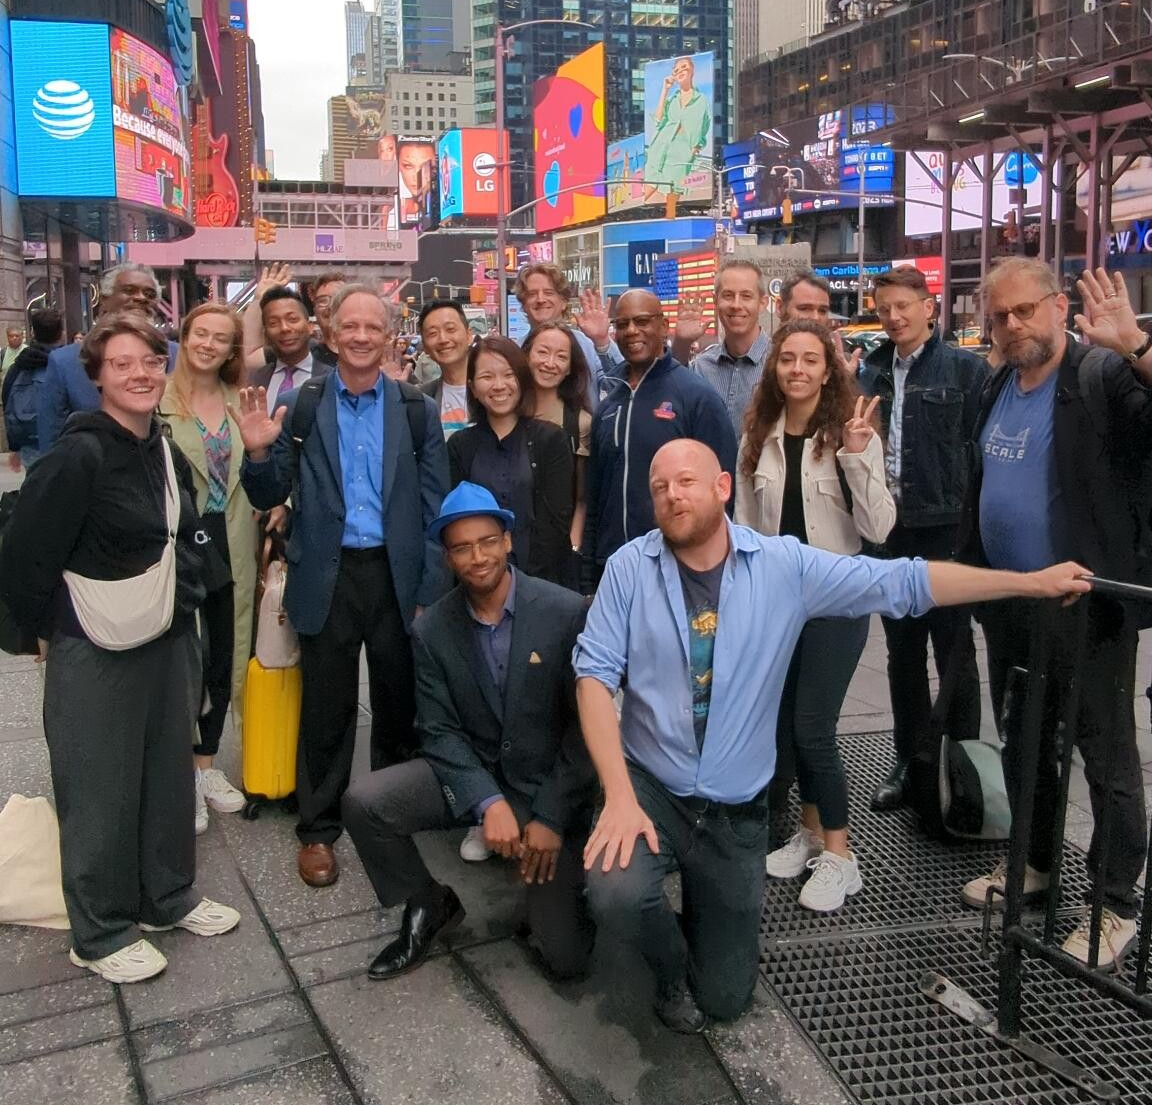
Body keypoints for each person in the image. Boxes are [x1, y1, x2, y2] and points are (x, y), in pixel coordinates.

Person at [574, 437, 1095, 1032]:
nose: (672, 495)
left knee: (724, 999)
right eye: (659, 486)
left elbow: (905, 581)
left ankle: (705, 921)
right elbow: (593, 676)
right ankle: (668, 974)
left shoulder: (782, 566)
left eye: (686, 481)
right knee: (614, 890)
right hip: (653, 790)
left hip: (734, 810)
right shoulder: (628, 568)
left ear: (722, 487)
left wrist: (1031, 583)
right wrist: (617, 794)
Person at [0, 313, 240, 985]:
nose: (140, 374)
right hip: (93, 645)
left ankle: (165, 896)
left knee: (167, 770)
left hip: (164, 637)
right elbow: (22, 554)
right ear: (97, 375)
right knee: (98, 785)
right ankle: (100, 929)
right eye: (123, 364)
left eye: (150, 362)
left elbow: (189, 531)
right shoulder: (79, 454)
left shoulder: (159, 445)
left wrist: (186, 601)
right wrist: (48, 629)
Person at [957, 261, 1152, 969]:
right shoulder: (997, 382)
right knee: (1024, 740)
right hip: (1013, 599)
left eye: (1025, 311)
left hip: (1088, 602)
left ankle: (1115, 900)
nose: (1012, 326)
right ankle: (1035, 866)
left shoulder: (1100, 376)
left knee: (1105, 753)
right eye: (1000, 315)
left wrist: (1135, 346)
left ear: (1058, 305)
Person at [237, 284, 449, 888]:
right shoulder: (303, 403)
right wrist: (257, 456)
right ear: (330, 336)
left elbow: (435, 510)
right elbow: (267, 493)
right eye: (348, 327)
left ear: (388, 337)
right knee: (325, 709)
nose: (360, 337)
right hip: (325, 572)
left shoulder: (414, 409)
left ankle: (391, 816)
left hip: (394, 574)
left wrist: (426, 586)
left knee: (396, 705)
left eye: (372, 328)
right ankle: (318, 830)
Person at [342, 482, 596, 981]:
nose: (476, 557)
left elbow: (585, 732)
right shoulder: (433, 629)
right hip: (476, 773)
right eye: (461, 548)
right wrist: (487, 802)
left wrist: (549, 816)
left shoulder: (565, 612)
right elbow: (436, 729)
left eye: (485, 542)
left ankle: (562, 890)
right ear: (448, 556)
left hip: (546, 787)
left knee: (567, 960)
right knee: (366, 801)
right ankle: (428, 903)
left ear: (507, 541)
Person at [734, 320, 895, 910]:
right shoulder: (759, 432)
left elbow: (879, 527)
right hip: (779, 602)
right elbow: (746, 526)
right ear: (774, 369)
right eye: (787, 360)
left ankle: (840, 856)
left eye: (810, 360)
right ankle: (807, 835)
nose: (797, 370)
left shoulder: (852, 433)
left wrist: (856, 457)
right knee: (786, 727)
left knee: (814, 728)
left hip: (837, 598)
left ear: (829, 371)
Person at [857, 265, 986, 816]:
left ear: (929, 307)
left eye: (904, 305)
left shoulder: (965, 369)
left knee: (954, 650)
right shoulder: (872, 369)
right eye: (885, 308)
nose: (893, 316)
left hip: (946, 528)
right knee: (902, 653)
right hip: (891, 530)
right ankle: (910, 762)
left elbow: (980, 454)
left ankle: (963, 768)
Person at [158, 304, 257, 834]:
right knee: (181, 656)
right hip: (177, 542)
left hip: (232, 537)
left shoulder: (241, 401)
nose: (209, 344)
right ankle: (176, 774)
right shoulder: (157, 402)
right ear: (185, 335)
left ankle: (207, 766)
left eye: (222, 338)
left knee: (225, 649)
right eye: (202, 333)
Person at [582, 289, 737, 587]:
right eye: (623, 324)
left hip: (678, 568)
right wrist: (589, 573)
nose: (632, 331)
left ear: (663, 327)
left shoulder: (696, 396)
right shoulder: (609, 404)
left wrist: (709, 566)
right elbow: (595, 495)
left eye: (642, 321)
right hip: (613, 568)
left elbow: (723, 492)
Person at [447, 336, 574, 586]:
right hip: (478, 581)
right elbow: (457, 522)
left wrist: (521, 584)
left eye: (508, 375)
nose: (498, 385)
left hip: (541, 583)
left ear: (522, 379)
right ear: (472, 386)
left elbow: (556, 523)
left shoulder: (550, 439)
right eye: (486, 377)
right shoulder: (460, 446)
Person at [37, 263, 176, 453]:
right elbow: (51, 440)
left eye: (149, 294)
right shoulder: (65, 362)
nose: (140, 298)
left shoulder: (177, 356)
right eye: (129, 290)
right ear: (105, 300)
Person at [671, 260, 772, 435]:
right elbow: (672, 398)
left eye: (746, 296)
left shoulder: (780, 362)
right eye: (728, 295)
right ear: (715, 300)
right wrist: (681, 343)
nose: (736, 305)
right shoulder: (702, 367)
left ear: (762, 303)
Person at [522, 322, 594, 557]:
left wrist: (573, 546)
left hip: (558, 552)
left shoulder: (580, 423)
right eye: (542, 352)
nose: (550, 363)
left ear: (570, 368)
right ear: (526, 354)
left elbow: (581, 498)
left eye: (561, 356)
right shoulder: (506, 414)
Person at [512, 263, 624, 404]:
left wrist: (602, 342)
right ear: (523, 303)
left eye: (548, 293)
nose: (540, 299)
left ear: (564, 301)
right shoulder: (515, 351)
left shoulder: (585, 344)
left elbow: (620, 388)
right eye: (532, 294)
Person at [244, 287, 330, 411]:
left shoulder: (331, 378)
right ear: (265, 333)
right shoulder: (256, 379)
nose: (284, 328)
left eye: (292, 319)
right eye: (273, 323)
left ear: (310, 327)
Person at [643, 56, 710, 203]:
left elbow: (704, 127)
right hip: (659, 149)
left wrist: (694, 149)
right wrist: (665, 90)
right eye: (676, 70)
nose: (680, 71)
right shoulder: (672, 99)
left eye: (684, 67)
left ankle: (670, 222)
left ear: (692, 70)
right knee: (645, 195)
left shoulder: (701, 100)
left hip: (681, 156)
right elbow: (658, 120)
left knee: (671, 200)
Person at [3, 308, 63, 469]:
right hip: (67, 441)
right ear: (61, 333)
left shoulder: (18, 366)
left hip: (31, 442)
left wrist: (14, 447)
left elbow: (8, 405)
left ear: (32, 332)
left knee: (38, 488)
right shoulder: (70, 363)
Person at [417, 301, 473, 438]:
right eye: (432, 333)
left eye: (450, 329)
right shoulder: (421, 399)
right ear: (424, 346)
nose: (443, 339)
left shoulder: (493, 388)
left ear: (469, 335)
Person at [309, 272, 347, 368]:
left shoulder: (367, 353)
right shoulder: (306, 357)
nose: (330, 306)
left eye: (337, 299)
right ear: (315, 311)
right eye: (322, 301)